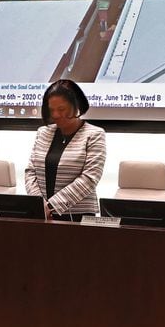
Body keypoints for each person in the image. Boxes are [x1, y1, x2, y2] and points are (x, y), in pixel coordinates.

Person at [25, 79, 106, 221]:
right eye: (51, 110)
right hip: (42, 215)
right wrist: (39, 204)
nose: (55, 115)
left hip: (77, 216)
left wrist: (51, 206)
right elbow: (31, 172)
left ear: (76, 106)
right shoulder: (43, 132)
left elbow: (90, 178)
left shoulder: (94, 134)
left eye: (61, 109)